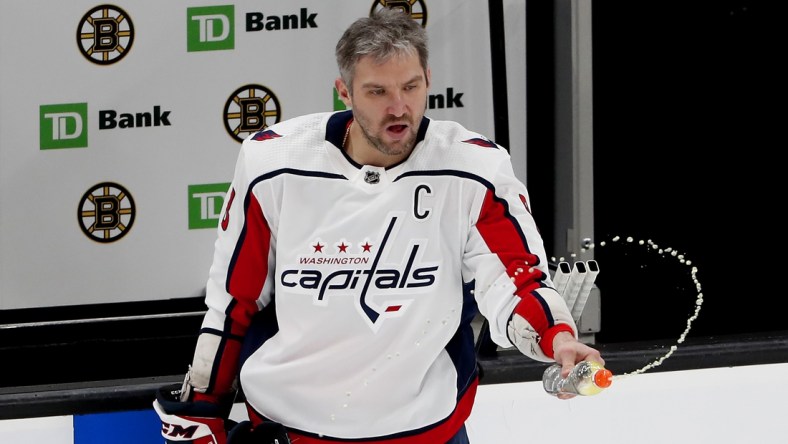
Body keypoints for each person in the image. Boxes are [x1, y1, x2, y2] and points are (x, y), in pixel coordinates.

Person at [154, 7, 604, 444]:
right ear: (344, 92)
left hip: (429, 433)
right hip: (290, 431)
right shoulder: (273, 163)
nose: (398, 108)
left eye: (410, 86)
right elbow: (235, 301)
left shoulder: (475, 168)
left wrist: (557, 339)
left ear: (428, 80)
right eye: (376, 92)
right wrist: (202, 408)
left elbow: (517, 282)